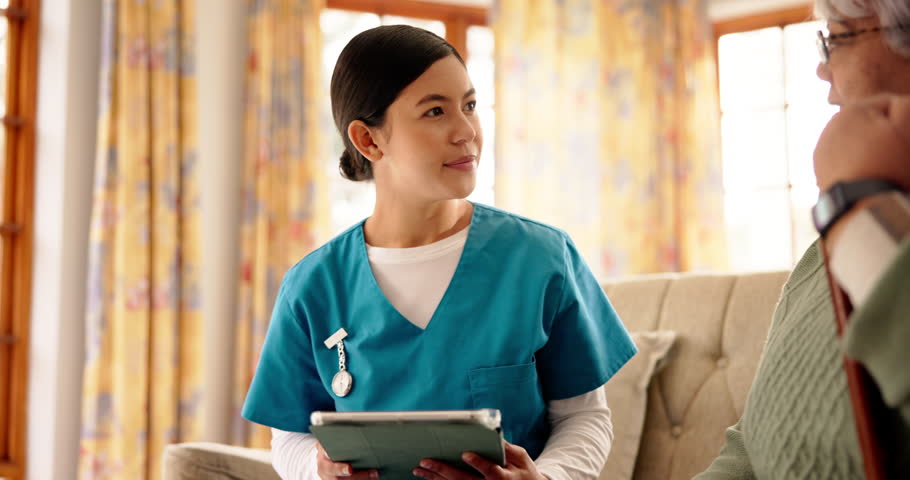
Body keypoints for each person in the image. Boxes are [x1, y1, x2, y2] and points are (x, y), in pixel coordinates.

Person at [241, 25, 637, 480]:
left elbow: (584, 416)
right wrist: (318, 471)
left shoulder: (542, 258)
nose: (466, 131)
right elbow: (289, 435)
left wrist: (547, 478)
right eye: (435, 111)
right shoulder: (313, 286)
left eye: (469, 105)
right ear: (369, 140)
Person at [695, 0, 910, 478]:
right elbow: (749, 448)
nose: (820, 67)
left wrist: (853, 204)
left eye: (835, 37)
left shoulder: (850, 230)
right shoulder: (819, 260)